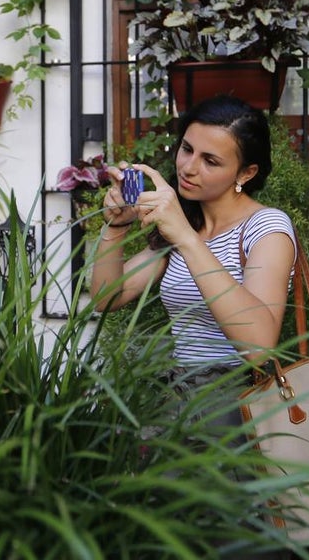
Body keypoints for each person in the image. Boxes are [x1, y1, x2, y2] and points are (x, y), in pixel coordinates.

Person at [90, 94, 297, 384]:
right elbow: (106, 298)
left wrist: (186, 238)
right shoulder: (188, 222)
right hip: (184, 400)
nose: (188, 167)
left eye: (210, 161)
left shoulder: (265, 227)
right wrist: (115, 226)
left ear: (246, 173)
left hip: (239, 406)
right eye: (187, 149)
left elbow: (259, 348)